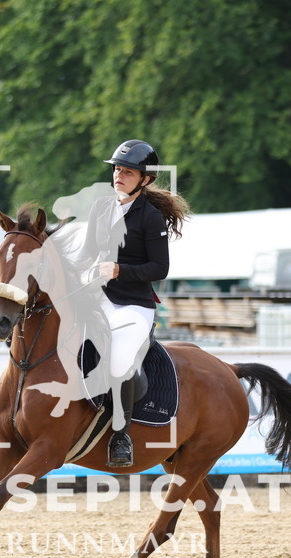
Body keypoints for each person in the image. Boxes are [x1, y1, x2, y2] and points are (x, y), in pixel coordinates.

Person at [96, 139, 190, 467]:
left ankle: (120, 434)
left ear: (145, 179)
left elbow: (159, 268)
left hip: (134, 306)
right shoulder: (101, 209)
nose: (119, 175)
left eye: (128, 172)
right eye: (117, 169)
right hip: (99, 299)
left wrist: (120, 269)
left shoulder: (150, 217)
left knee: (121, 361)